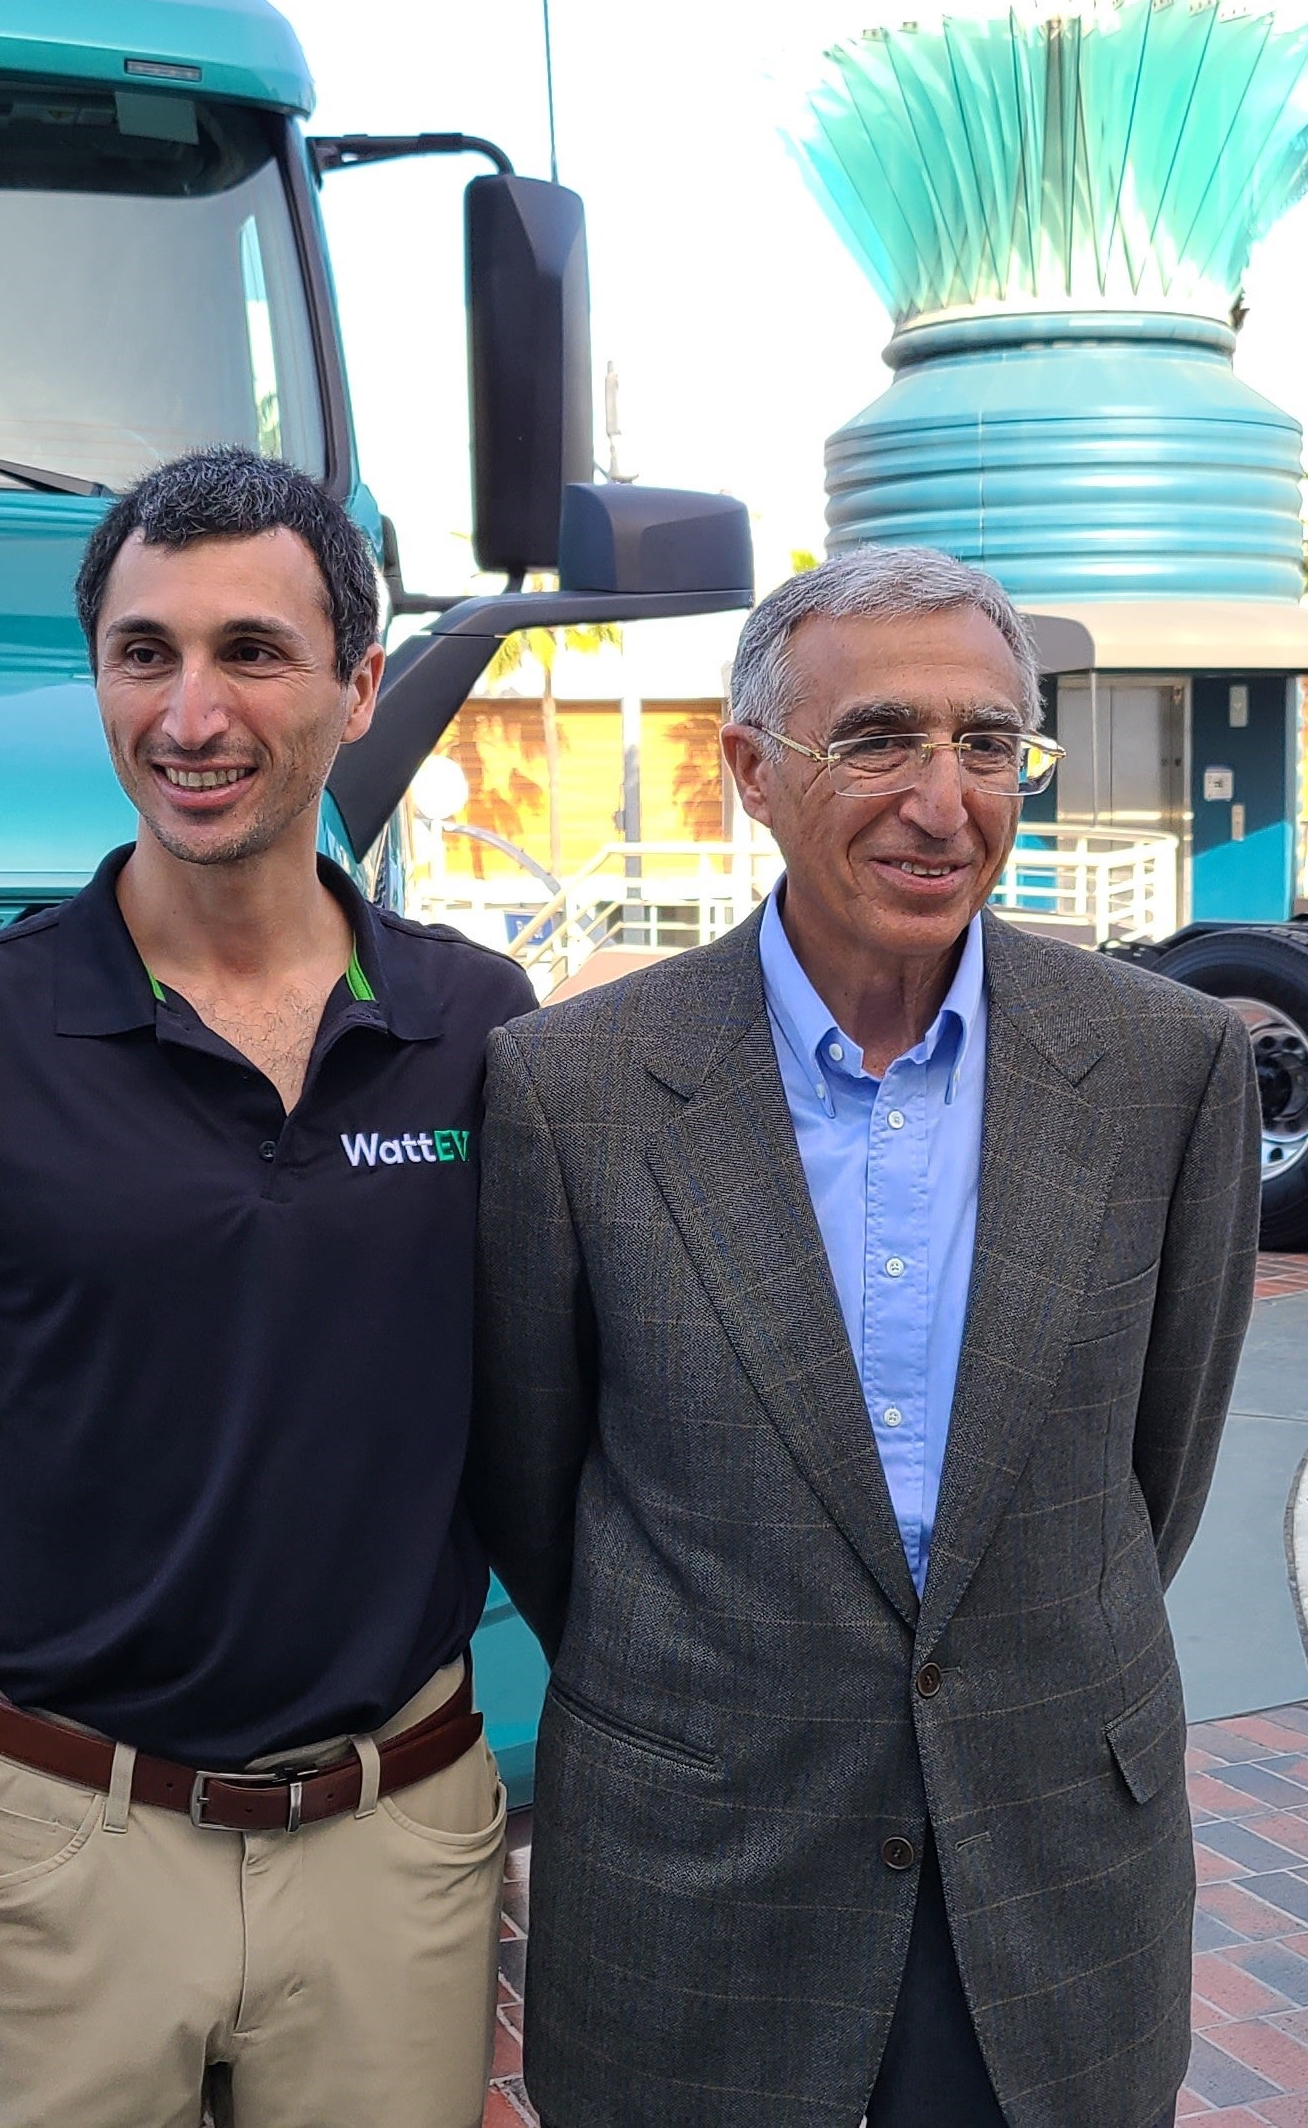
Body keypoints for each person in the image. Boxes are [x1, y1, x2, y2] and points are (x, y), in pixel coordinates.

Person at [0, 448, 534, 2128]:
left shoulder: (484, 1028)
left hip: (396, 1838)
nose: (191, 714)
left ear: (360, 685)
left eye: (252, 650)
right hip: (49, 1847)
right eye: (142, 653)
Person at [471, 545, 1258, 2128]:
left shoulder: (1169, 1067)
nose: (944, 799)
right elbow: (538, 1491)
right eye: (882, 740)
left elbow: (1152, 1475)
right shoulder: (575, 1090)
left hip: (1051, 1874)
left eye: (987, 743)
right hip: (703, 1878)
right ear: (753, 771)